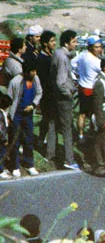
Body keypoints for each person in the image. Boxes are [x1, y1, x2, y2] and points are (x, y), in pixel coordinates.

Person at [47, 29, 80, 170]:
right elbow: (61, 81)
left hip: (55, 95)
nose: (76, 44)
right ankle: (69, 159)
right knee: (67, 128)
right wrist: (69, 94)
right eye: (74, 42)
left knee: (53, 124)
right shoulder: (62, 58)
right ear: (66, 43)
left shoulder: (59, 53)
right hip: (63, 97)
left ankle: (50, 154)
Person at [7, 62, 42, 178]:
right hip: (16, 114)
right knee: (15, 140)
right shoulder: (15, 82)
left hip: (28, 114)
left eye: (35, 71)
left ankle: (29, 164)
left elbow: (39, 93)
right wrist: (8, 117)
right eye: (32, 71)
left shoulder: (35, 79)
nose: (34, 73)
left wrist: (33, 105)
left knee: (29, 139)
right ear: (26, 72)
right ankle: (15, 166)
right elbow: (9, 99)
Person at [90, 56, 105, 178]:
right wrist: (100, 121)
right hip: (102, 117)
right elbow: (97, 104)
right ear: (104, 68)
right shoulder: (100, 82)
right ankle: (99, 167)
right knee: (100, 142)